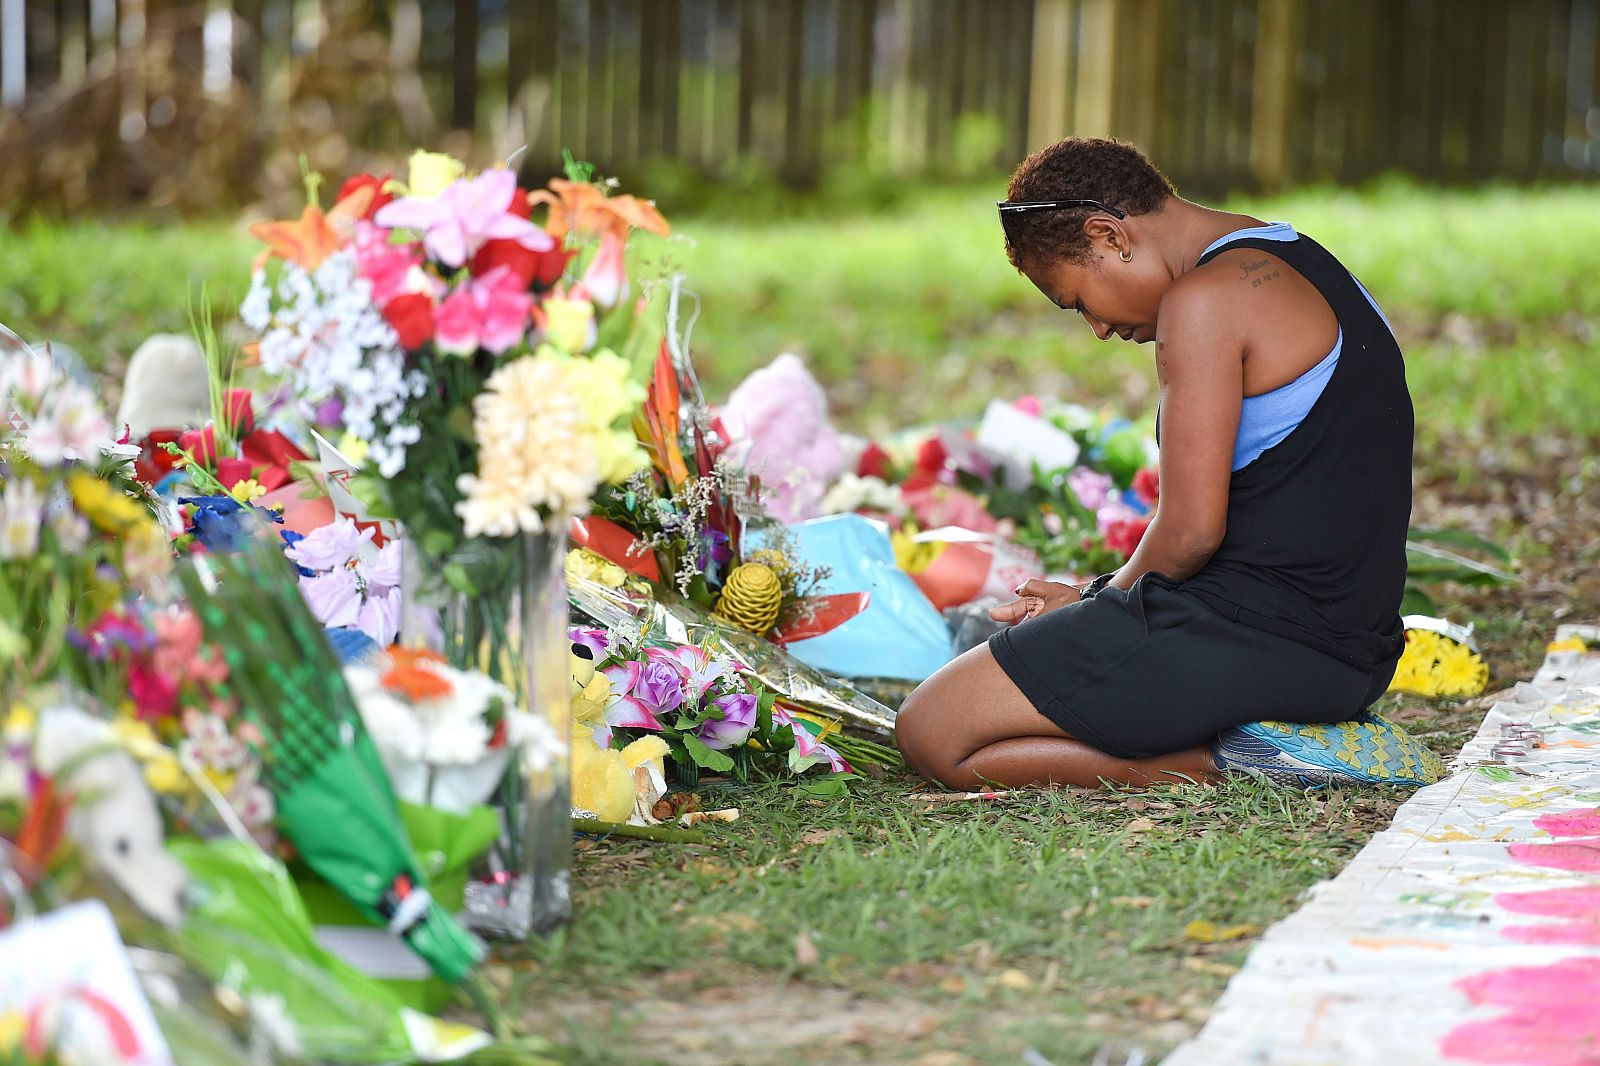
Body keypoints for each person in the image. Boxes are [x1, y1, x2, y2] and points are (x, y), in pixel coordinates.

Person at [894, 137, 1413, 791]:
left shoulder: (1204, 302)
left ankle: (1246, 760)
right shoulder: (1299, 257)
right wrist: (1089, 600)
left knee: (931, 731)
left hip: (1262, 643)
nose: (1099, 330)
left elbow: (1193, 533)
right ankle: (1266, 735)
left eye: (1078, 301)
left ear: (1108, 235)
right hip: (1350, 651)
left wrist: (1101, 604)